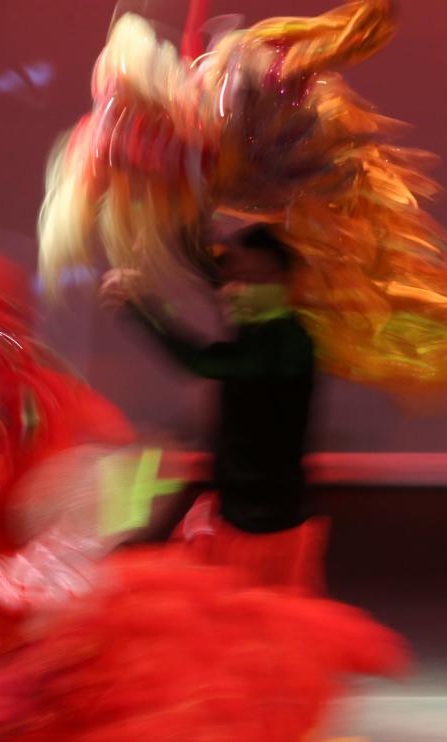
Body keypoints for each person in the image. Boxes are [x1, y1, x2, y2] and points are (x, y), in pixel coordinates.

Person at [101, 223, 325, 591]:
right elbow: (213, 275)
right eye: (236, 276)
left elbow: (201, 363)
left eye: (254, 277)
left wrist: (138, 308)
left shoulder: (288, 343)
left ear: (284, 281)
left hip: (267, 526)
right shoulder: (257, 324)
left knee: (256, 631)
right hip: (234, 514)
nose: (237, 287)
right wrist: (177, 215)